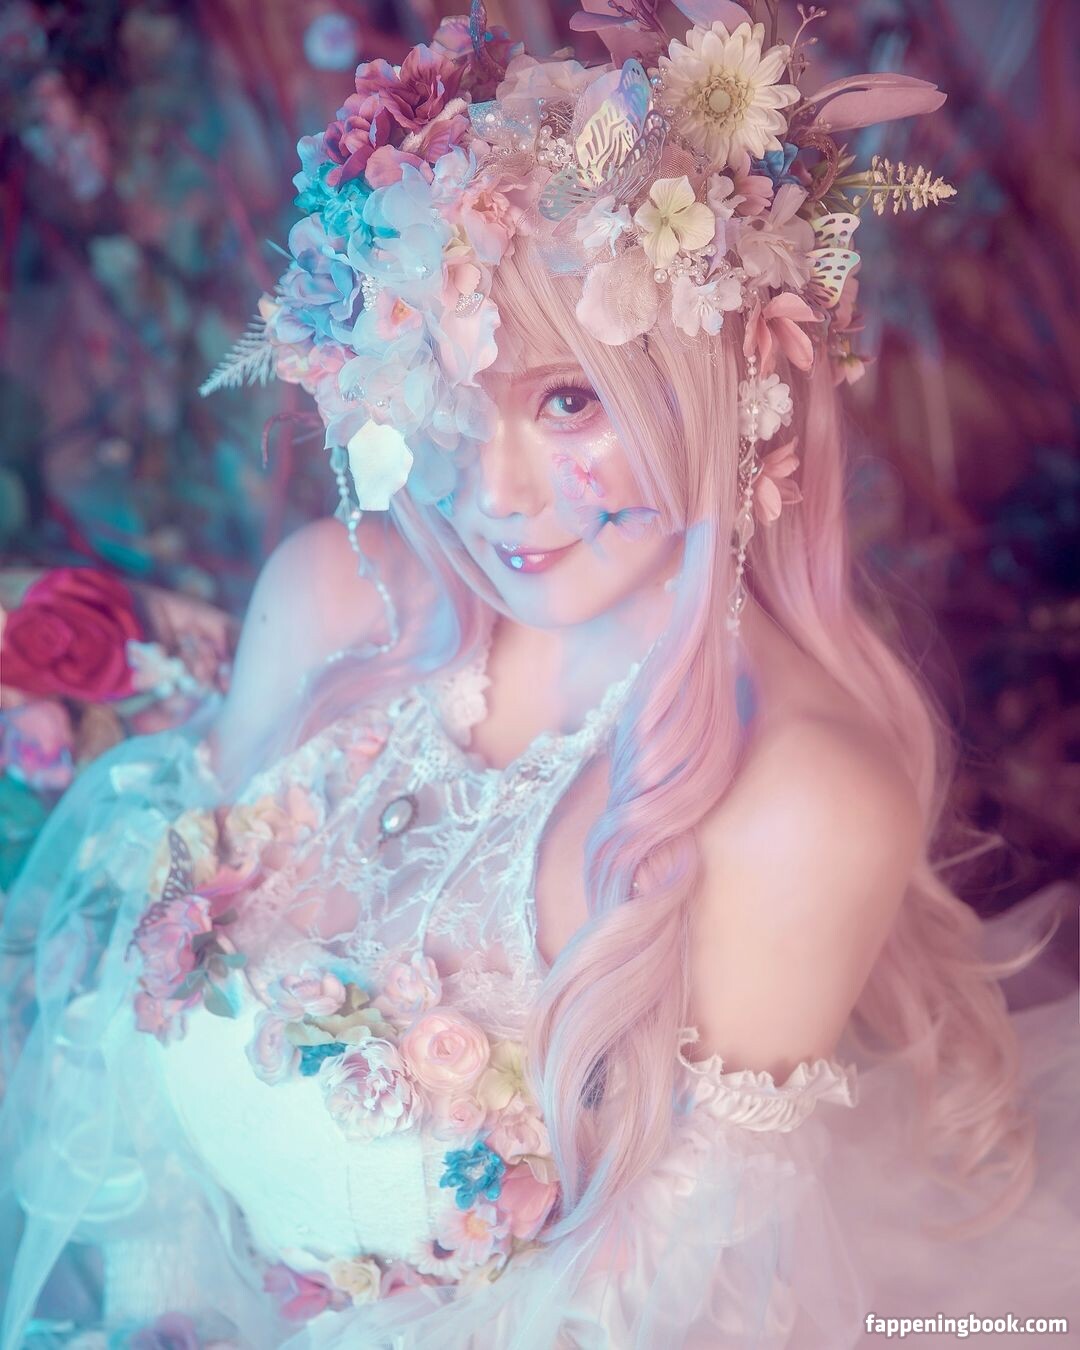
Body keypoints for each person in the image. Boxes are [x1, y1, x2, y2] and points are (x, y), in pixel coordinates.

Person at [2, 3, 1078, 1347]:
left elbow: (657, 1310)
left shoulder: (796, 803)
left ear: (727, 379)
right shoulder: (332, 598)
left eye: (569, 399)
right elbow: (129, 1059)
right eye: (445, 387)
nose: (492, 493)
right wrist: (155, 1313)